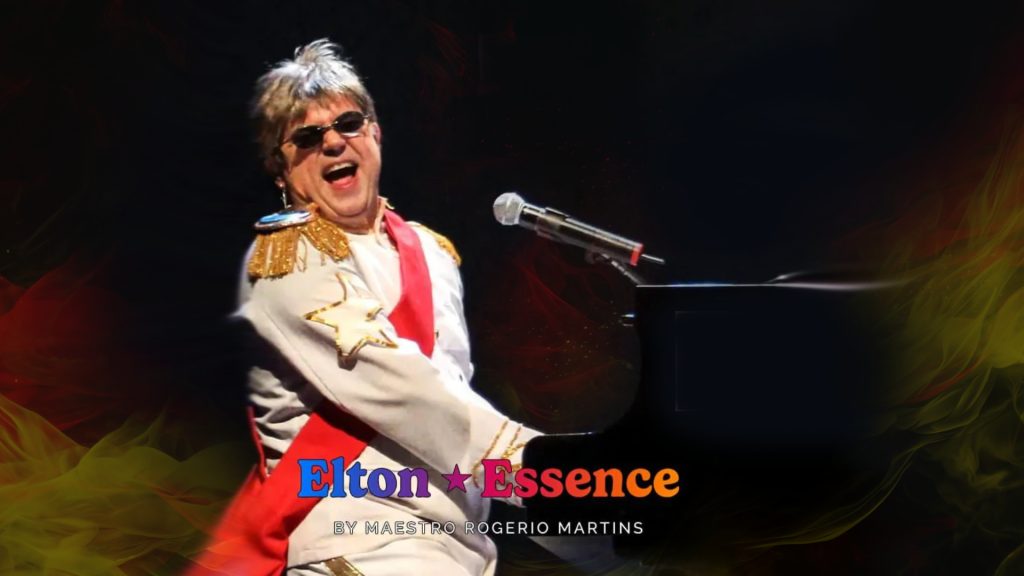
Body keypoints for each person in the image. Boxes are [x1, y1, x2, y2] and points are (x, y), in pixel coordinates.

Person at [191, 40, 541, 576]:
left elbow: (456, 403)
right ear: (280, 171)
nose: (333, 142)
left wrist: (595, 535)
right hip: (362, 544)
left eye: (348, 124)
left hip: (460, 546)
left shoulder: (432, 252)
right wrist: (557, 476)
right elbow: (413, 396)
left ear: (375, 133)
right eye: (307, 138)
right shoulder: (286, 259)